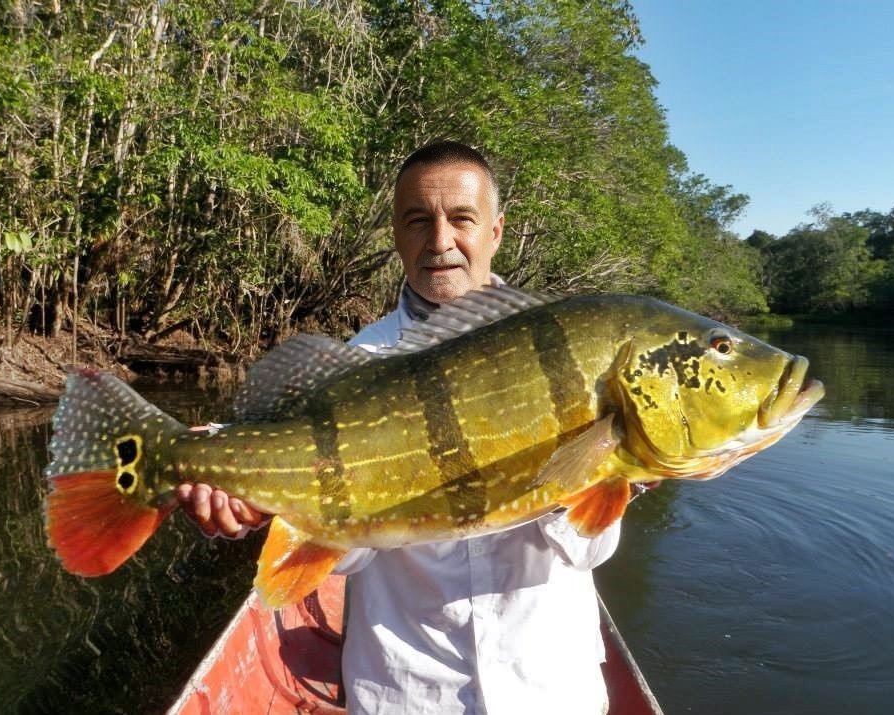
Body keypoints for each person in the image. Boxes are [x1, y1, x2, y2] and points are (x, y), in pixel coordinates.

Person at [177, 141, 621, 714]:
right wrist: (261, 503)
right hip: (409, 690)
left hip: (549, 686)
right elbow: (349, 556)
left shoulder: (571, 350)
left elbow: (590, 551)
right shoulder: (358, 365)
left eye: (462, 219)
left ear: (496, 231)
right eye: (418, 221)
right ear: (396, 234)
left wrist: (604, 471)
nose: (440, 242)